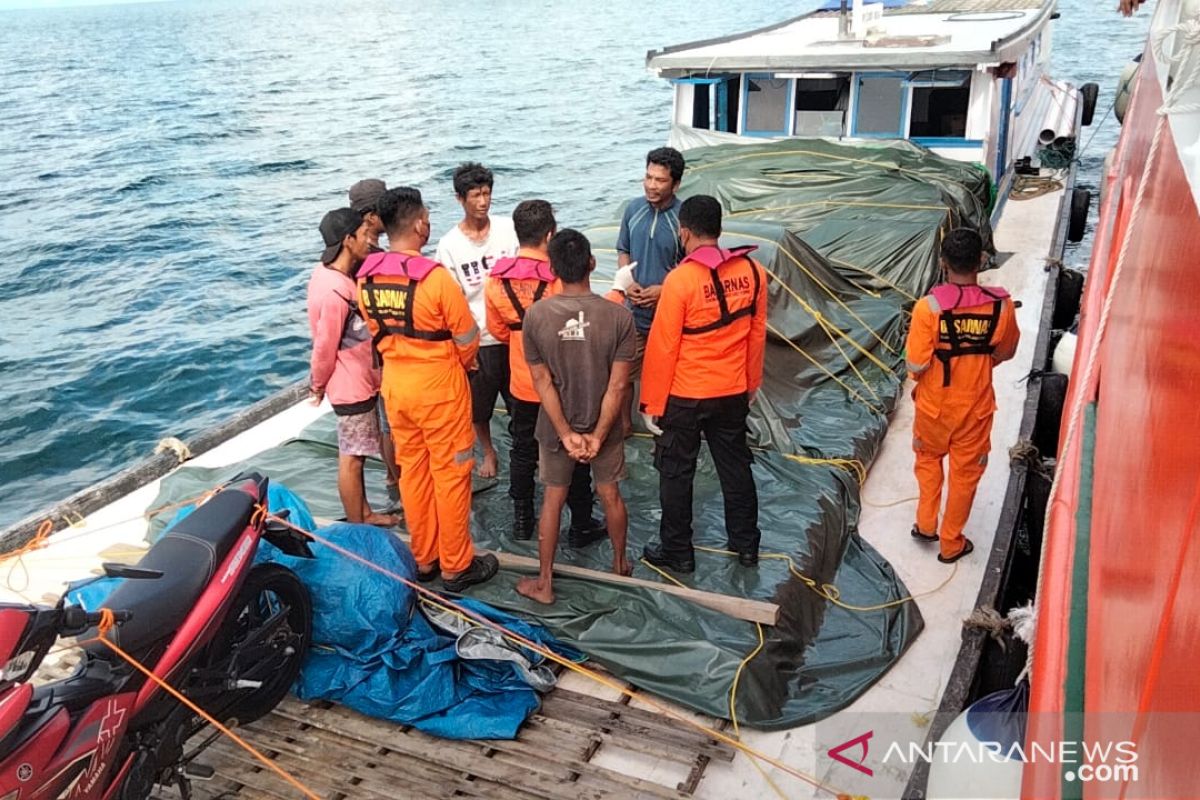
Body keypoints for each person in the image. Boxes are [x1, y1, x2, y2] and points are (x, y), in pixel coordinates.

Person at [358, 187, 498, 591]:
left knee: (413, 474)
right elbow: (468, 336)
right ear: (421, 224)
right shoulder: (436, 280)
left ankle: (425, 558)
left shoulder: (365, 277)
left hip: (397, 389)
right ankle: (456, 565)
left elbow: (372, 330)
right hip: (440, 388)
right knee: (452, 474)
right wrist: (460, 365)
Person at [639, 195, 767, 573]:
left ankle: (678, 551)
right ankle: (746, 545)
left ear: (685, 232)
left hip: (686, 394)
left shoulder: (679, 281)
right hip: (732, 390)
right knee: (736, 467)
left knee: (676, 472)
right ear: (719, 229)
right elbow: (756, 334)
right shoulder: (754, 272)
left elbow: (663, 347)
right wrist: (752, 382)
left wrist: (651, 404)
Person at [516, 229, 636, 604]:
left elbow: (541, 381)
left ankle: (545, 583)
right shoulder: (619, 317)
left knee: (553, 499)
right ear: (592, 264)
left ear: (552, 269)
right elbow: (617, 388)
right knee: (610, 494)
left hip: (555, 427)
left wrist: (566, 433)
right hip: (605, 426)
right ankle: (619, 564)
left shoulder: (535, 316)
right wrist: (598, 435)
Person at [484, 200, 607, 545]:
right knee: (574, 448)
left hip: (522, 382)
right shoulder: (557, 279)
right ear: (550, 235)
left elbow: (496, 330)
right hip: (562, 383)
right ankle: (581, 520)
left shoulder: (496, 281)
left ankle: (522, 518)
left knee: (522, 448)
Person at [905, 228, 1020, 564]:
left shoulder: (928, 309)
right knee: (965, 474)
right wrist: (979, 363)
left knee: (928, 461)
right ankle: (951, 543)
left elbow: (915, 364)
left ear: (943, 263)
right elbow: (1007, 351)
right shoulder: (1002, 306)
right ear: (981, 261)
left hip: (933, 407)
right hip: (976, 407)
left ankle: (926, 525)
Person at [307, 208, 399, 528]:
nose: (368, 240)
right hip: (351, 385)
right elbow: (324, 346)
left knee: (356, 454)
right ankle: (357, 524)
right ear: (348, 240)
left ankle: (365, 512)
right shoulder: (335, 291)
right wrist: (317, 386)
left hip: (361, 378)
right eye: (363, 234)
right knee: (352, 459)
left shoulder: (332, 275)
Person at [435, 163, 520, 479]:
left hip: (512, 336)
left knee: (521, 402)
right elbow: (451, 300)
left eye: (487, 193)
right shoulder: (449, 245)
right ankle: (488, 452)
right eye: (475, 195)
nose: (483, 201)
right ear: (460, 199)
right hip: (478, 341)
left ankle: (526, 451)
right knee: (478, 409)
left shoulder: (508, 229)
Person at [616, 147, 686, 436]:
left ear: (676, 184)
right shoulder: (633, 209)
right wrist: (627, 282)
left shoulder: (683, 218)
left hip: (670, 316)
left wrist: (663, 290)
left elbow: (691, 266)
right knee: (622, 375)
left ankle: (669, 426)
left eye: (660, 180)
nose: (651, 185)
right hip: (635, 312)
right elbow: (623, 249)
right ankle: (624, 427)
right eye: (648, 177)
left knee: (670, 376)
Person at [348, 178, 401, 504]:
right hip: (376, 353)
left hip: (366, 352)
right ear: (370, 214)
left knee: (384, 423)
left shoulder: (351, 251)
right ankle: (400, 477)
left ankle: (393, 475)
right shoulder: (365, 257)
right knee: (388, 423)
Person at [349, 178, 388, 251]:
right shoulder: (373, 254)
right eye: (387, 209)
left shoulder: (353, 251)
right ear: (372, 217)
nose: (393, 212)